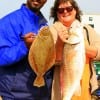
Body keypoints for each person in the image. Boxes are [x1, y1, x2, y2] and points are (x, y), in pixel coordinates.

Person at [0, 0, 54, 100]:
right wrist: (24, 45)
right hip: (16, 95)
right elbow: (1, 57)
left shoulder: (44, 26)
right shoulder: (8, 22)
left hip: (43, 94)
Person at [50, 0, 100, 100]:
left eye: (69, 8)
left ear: (75, 10)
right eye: (61, 10)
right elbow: (51, 61)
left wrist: (81, 47)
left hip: (87, 89)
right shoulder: (51, 31)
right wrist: (59, 44)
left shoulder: (87, 29)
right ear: (56, 13)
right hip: (63, 89)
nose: (65, 12)